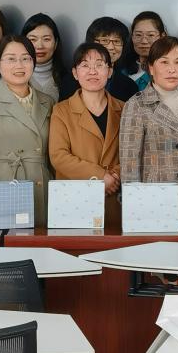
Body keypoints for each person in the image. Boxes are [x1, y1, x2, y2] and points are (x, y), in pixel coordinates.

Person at [120, 36, 178, 227]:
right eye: (164, 62)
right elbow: (129, 163)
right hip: (155, 199)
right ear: (151, 68)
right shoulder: (136, 104)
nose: (172, 69)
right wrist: (134, 207)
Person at [0, 36, 55, 226]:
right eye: (11, 59)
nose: (19, 65)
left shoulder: (47, 101)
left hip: (43, 187)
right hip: (6, 188)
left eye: (25, 58)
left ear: (33, 63)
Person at [49, 43, 123, 224]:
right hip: (76, 199)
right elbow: (58, 156)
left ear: (110, 71)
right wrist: (100, 176)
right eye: (85, 65)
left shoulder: (125, 109)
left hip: (117, 195)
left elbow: (135, 153)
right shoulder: (61, 110)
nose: (92, 71)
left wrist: (115, 176)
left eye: (99, 65)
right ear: (75, 73)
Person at [59, 17, 140, 102]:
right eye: (104, 40)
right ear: (91, 43)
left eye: (116, 41)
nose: (111, 47)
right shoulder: (70, 81)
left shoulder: (130, 86)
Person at [22, 13, 68, 101]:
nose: (40, 46)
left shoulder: (69, 80)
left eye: (46, 39)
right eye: (33, 39)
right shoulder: (13, 78)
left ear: (56, 43)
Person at [122, 11, 166, 92]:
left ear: (162, 36)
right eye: (138, 35)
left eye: (150, 35)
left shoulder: (168, 71)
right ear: (132, 37)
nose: (144, 41)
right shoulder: (122, 70)